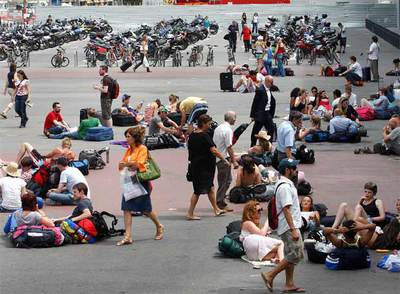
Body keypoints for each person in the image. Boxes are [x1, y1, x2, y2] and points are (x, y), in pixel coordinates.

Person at [261, 158, 305, 293]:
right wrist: (293, 229)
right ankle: (270, 275)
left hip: (288, 225)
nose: (296, 171)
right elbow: (286, 209)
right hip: (288, 226)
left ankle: (289, 283)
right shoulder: (285, 187)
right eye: (294, 168)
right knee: (296, 253)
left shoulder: (285, 184)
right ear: (287, 170)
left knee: (289, 253)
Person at [117, 126, 164, 245]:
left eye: (128, 136)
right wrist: (127, 164)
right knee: (126, 208)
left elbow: (139, 164)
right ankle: (128, 236)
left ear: (135, 137)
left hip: (141, 182)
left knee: (146, 210)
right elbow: (121, 165)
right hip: (129, 181)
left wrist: (127, 164)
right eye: (126, 136)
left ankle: (159, 226)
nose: (126, 138)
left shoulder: (142, 149)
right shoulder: (128, 150)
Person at [186, 114, 227, 220]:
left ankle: (216, 209)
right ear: (203, 124)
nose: (210, 126)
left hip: (197, 166)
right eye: (208, 124)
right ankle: (190, 213)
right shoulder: (204, 136)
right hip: (203, 168)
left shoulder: (192, 135)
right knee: (197, 191)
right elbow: (214, 150)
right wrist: (224, 160)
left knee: (210, 188)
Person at [213, 111, 238, 212]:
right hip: (223, 158)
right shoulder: (228, 130)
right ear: (231, 119)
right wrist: (234, 161)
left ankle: (220, 200)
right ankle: (219, 202)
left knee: (226, 180)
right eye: (235, 117)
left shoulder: (219, 128)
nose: (235, 119)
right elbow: (229, 147)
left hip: (218, 157)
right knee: (224, 181)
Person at [250, 75, 276, 147]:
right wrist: (252, 115)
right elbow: (255, 103)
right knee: (256, 131)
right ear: (267, 82)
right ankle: (252, 145)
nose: (272, 84)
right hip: (260, 114)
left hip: (267, 113)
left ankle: (269, 145)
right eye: (271, 82)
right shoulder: (260, 90)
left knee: (271, 128)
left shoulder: (268, 88)